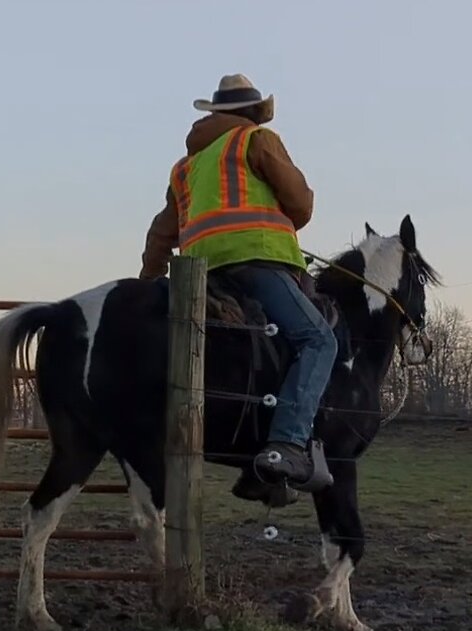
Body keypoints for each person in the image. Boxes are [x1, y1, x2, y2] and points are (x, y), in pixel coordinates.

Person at [139, 73, 338, 487]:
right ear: (252, 113)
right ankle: (286, 444)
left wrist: (149, 279)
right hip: (259, 262)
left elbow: (162, 232)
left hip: (200, 275)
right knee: (319, 340)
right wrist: (282, 223)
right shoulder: (256, 140)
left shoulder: (185, 168)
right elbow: (300, 202)